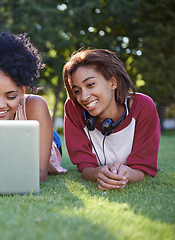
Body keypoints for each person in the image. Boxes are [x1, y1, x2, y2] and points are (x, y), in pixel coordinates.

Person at [0, 31, 67, 182]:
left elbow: (40, 175)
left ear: (21, 92)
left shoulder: (36, 106)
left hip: (44, 137)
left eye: (11, 96)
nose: (0, 105)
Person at [63, 48, 160, 190]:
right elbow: (85, 167)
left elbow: (143, 168)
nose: (83, 97)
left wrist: (125, 174)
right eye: (77, 91)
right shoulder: (73, 108)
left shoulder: (143, 106)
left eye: (90, 85)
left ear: (113, 82)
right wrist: (98, 173)